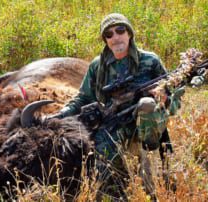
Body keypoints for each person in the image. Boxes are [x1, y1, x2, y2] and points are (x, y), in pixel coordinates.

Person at [49, 13, 180, 200]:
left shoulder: (150, 61)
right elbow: (83, 98)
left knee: (146, 104)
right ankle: (118, 189)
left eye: (120, 30)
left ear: (129, 33)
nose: (115, 37)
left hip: (147, 127)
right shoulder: (97, 65)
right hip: (115, 123)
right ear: (105, 40)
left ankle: (149, 166)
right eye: (109, 34)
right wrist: (60, 115)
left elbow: (174, 100)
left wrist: (165, 99)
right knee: (103, 159)